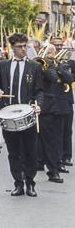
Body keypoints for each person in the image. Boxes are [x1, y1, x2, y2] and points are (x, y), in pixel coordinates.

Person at [0, 33, 43, 197]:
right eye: (19, 47)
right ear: (12, 48)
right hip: (8, 114)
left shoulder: (34, 66)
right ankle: (18, 183)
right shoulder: (3, 65)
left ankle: (30, 183)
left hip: (27, 113)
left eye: (25, 46)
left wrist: (38, 105)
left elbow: (39, 90)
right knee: (13, 152)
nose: (23, 49)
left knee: (30, 151)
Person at [34, 45, 72, 184]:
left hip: (60, 107)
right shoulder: (39, 65)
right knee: (44, 139)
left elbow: (69, 78)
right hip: (45, 107)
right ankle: (43, 164)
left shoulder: (61, 65)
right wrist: (48, 65)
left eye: (51, 52)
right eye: (46, 52)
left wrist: (57, 66)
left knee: (56, 140)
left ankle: (54, 169)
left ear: (55, 53)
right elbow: (52, 78)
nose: (48, 55)